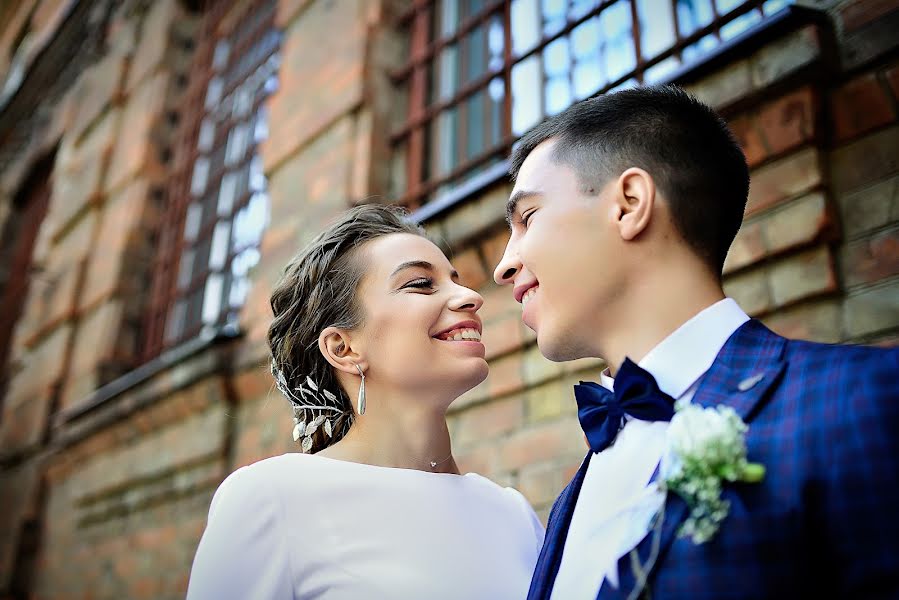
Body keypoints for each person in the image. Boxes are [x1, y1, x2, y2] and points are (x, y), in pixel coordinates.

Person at [493, 85, 899, 599]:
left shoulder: (867, 398)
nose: (503, 264)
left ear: (629, 204)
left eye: (527, 218)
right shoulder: (571, 497)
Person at [187, 204, 544, 599]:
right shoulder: (272, 499)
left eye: (456, 280)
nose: (469, 296)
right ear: (343, 347)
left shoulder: (514, 514)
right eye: (421, 284)